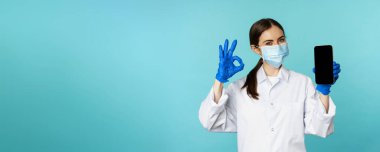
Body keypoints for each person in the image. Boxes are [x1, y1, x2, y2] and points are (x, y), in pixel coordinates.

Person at [198, 18, 341, 152]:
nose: (277, 46)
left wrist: (324, 90)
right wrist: (219, 81)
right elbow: (209, 122)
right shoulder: (239, 88)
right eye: (269, 43)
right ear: (256, 49)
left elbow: (321, 127)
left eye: (281, 40)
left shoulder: (302, 83)